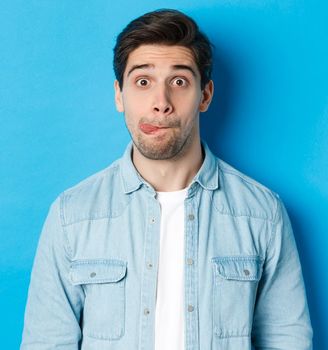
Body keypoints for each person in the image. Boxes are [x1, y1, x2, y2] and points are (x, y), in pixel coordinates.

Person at [20, 9, 313, 350]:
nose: (161, 103)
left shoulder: (262, 213)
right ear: (119, 94)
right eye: (143, 82)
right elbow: (45, 343)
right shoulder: (72, 215)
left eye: (179, 82)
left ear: (205, 95)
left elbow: (287, 340)